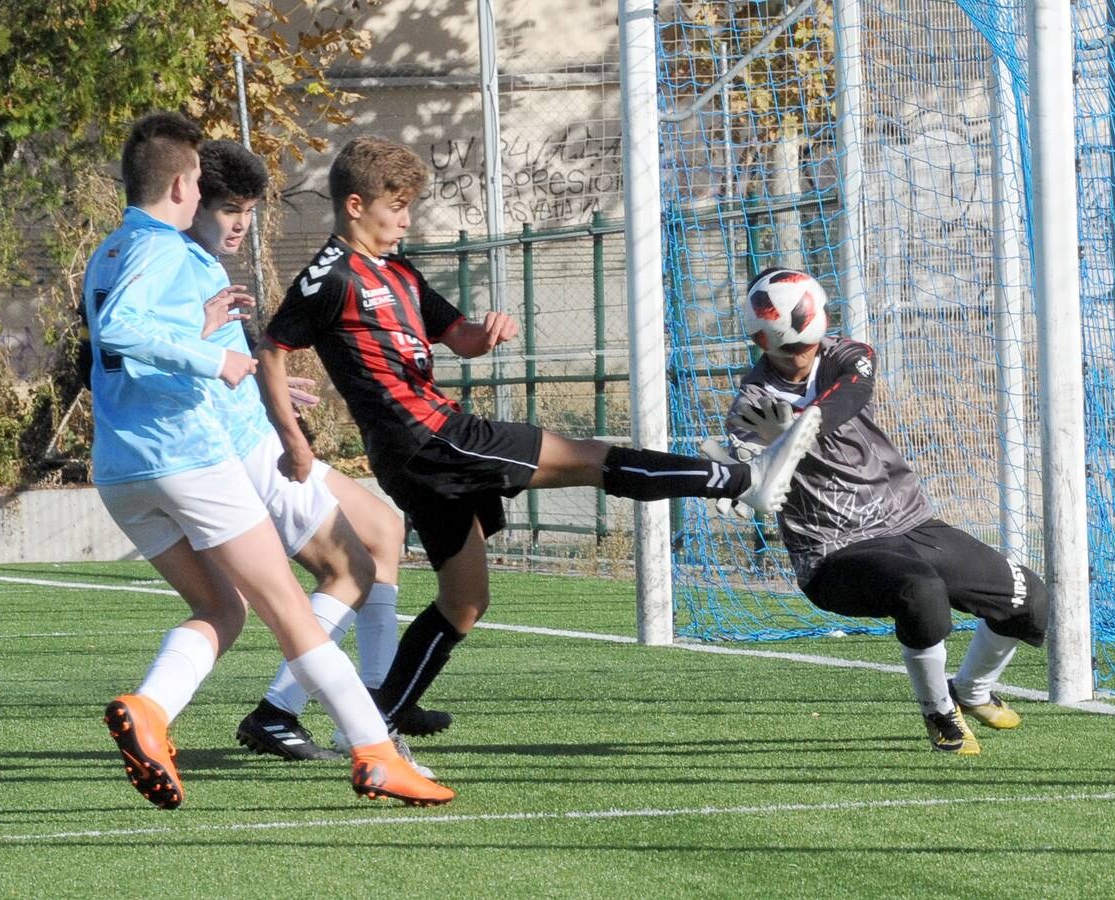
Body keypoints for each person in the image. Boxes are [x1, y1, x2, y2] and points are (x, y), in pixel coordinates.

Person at [253, 136, 823, 737]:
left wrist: (487, 331)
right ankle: (742, 479)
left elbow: (461, 338)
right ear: (354, 204)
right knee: (591, 457)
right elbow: (272, 350)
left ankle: (373, 717)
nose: (407, 219)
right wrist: (293, 439)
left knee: (465, 602)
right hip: (430, 437)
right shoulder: (327, 278)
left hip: (423, 452)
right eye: (397, 206)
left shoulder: (396, 269)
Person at [84, 113, 452, 808]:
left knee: (222, 607)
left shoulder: (110, 251)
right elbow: (122, 330)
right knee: (293, 604)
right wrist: (216, 355)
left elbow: (117, 348)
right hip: (186, 453)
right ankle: (373, 750)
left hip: (121, 467)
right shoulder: (166, 249)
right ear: (186, 183)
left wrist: (211, 342)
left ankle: (152, 712)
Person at [183, 141, 446, 773]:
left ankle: (379, 700)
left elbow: (217, 362)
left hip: (254, 434)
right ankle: (289, 709)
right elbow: (143, 351)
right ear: (188, 198)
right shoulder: (174, 261)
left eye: (249, 208)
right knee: (346, 571)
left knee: (383, 529)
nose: (241, 223)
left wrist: (249, 381)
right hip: (241, 452)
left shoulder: (206, 264)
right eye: (228, 208)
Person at [708, 266, 1048, 755]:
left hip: (909, 522)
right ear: (762, 341)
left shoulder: (849, 353)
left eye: (806, 343)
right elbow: (747, 474)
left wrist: (800, 427)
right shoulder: (753, 404)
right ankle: (938, 712)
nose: (800, 355)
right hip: (833, 552)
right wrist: (738, 482)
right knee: (921, 591)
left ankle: (971, 690)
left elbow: (851, 394)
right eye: (787, 348)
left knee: (1027, 598)